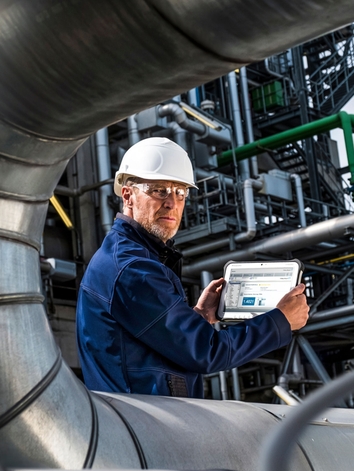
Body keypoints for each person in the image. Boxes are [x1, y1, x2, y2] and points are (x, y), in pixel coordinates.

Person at [76, 137, 309, 398]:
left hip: (142, 420)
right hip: (146, 425)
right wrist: (280, 321)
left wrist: (199, 316)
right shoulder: (133, 268)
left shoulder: (130, 257)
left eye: (180, 192)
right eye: (159, 190)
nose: (172, 203)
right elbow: (208, 352)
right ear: (128, 196)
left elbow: (154, 347)